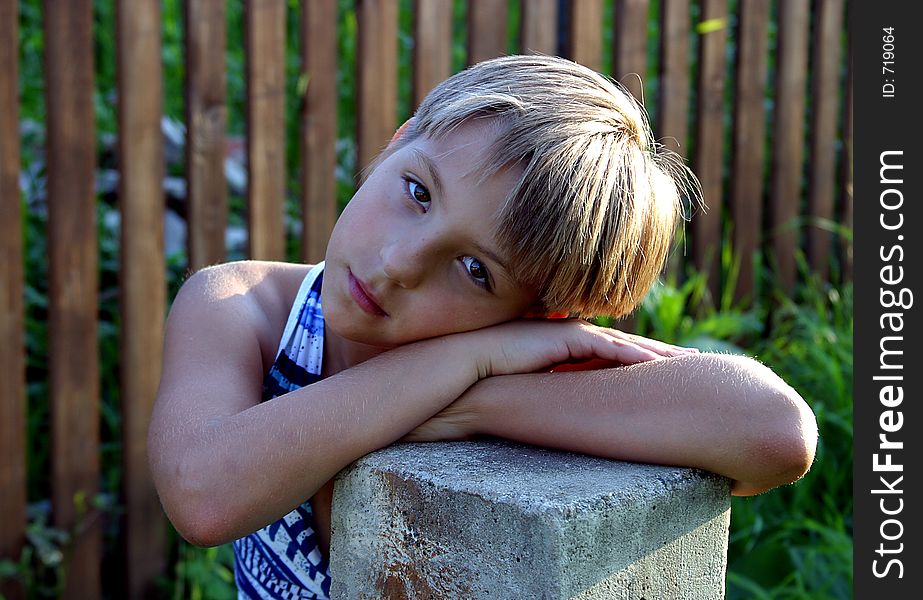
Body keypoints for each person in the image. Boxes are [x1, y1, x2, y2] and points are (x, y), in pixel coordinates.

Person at [148, 54, 817, 599]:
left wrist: (468, 397)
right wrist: (449, 369)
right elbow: (203, 494)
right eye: (417, 192)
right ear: (398, 139)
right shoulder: (244, 306)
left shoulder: (527, 367)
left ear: (539, 315)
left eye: (474, 269)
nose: (399, 263)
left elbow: (772, 430)